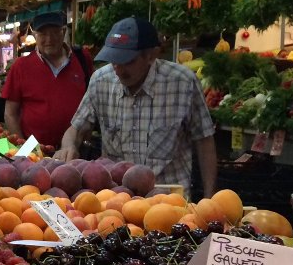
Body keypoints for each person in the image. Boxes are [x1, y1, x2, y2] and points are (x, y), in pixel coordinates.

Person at [55, 17, 217, 198]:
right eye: (113, 60)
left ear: (151, 55)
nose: (118, 69)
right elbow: (76, 128)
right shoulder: (101, 81)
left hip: (169, 201)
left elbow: (204, 140)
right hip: (117, 203)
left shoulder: (182, 82)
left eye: (127, 61)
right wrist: (68, 146)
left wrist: (209, 197)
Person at [1, 11, 94, 148]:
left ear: (63, 32)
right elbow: (10, 114)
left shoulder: (82, 58)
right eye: (43, 34)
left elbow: (92, 102)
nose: (49, 39)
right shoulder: (21, 66)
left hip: (76, 150)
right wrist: (25, 150)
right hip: (36, 154)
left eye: (55, 32)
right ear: (35, 36)